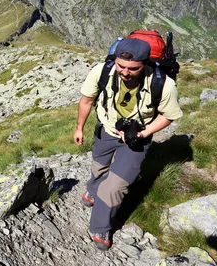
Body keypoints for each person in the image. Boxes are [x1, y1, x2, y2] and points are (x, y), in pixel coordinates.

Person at [73, 38, 183, 250]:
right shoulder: (101, 71)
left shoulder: (163, 84)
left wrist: (144, 133)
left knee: (115, 186)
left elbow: (168, 116)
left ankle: (100, 227)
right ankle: (92, 189)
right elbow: (86, 100)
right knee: (99, 166)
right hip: (106, 128)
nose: (125, 72)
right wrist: (79, 128)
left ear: (145, 64)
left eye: (133, 68)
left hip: (136, 139)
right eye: (121, 66)